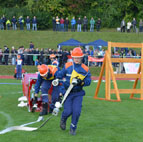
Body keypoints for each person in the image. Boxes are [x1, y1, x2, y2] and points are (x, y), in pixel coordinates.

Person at [55, 47, 91, 135]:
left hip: (78, 93)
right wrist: (54, 74)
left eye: (78, 58)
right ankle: (63, 119)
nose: (76, 59)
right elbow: (60, 75)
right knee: (68, 111)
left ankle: (73, 127)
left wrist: (81, 82)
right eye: (75, 57)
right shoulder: (67, 66)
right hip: (68, 93)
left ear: (81, 58)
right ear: (72, 57)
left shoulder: (85, 69)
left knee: (77, 111)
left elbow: (88, 81)